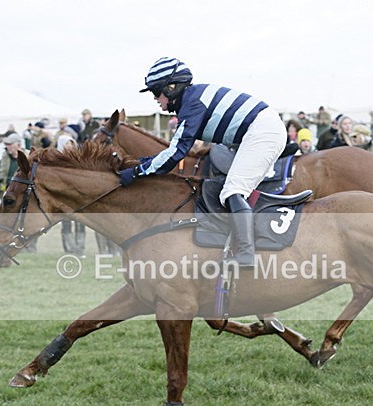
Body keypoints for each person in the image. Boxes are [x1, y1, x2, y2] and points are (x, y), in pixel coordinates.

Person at [121, 56, 287, 268]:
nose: (156, 99)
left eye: (156, 92)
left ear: (171, 88)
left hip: (262, 131)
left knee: (233, 191)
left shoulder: (192, 104)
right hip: (261, 129)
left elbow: (176, 152)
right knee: (231, 188)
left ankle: (246, 253)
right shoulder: (191, 99)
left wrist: (137, 171)